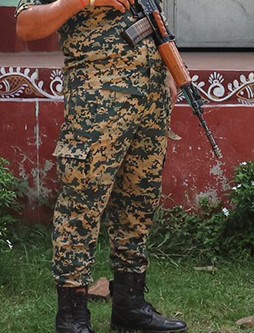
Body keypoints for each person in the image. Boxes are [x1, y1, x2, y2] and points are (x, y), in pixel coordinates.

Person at [16, 0, 187, 332]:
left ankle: (129, 306)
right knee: (82, 203)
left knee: (139, 204)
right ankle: (73, 316)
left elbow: (152, 18)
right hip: (99, 99)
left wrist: (167, 65)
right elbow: (25, 26)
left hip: (151, 96)